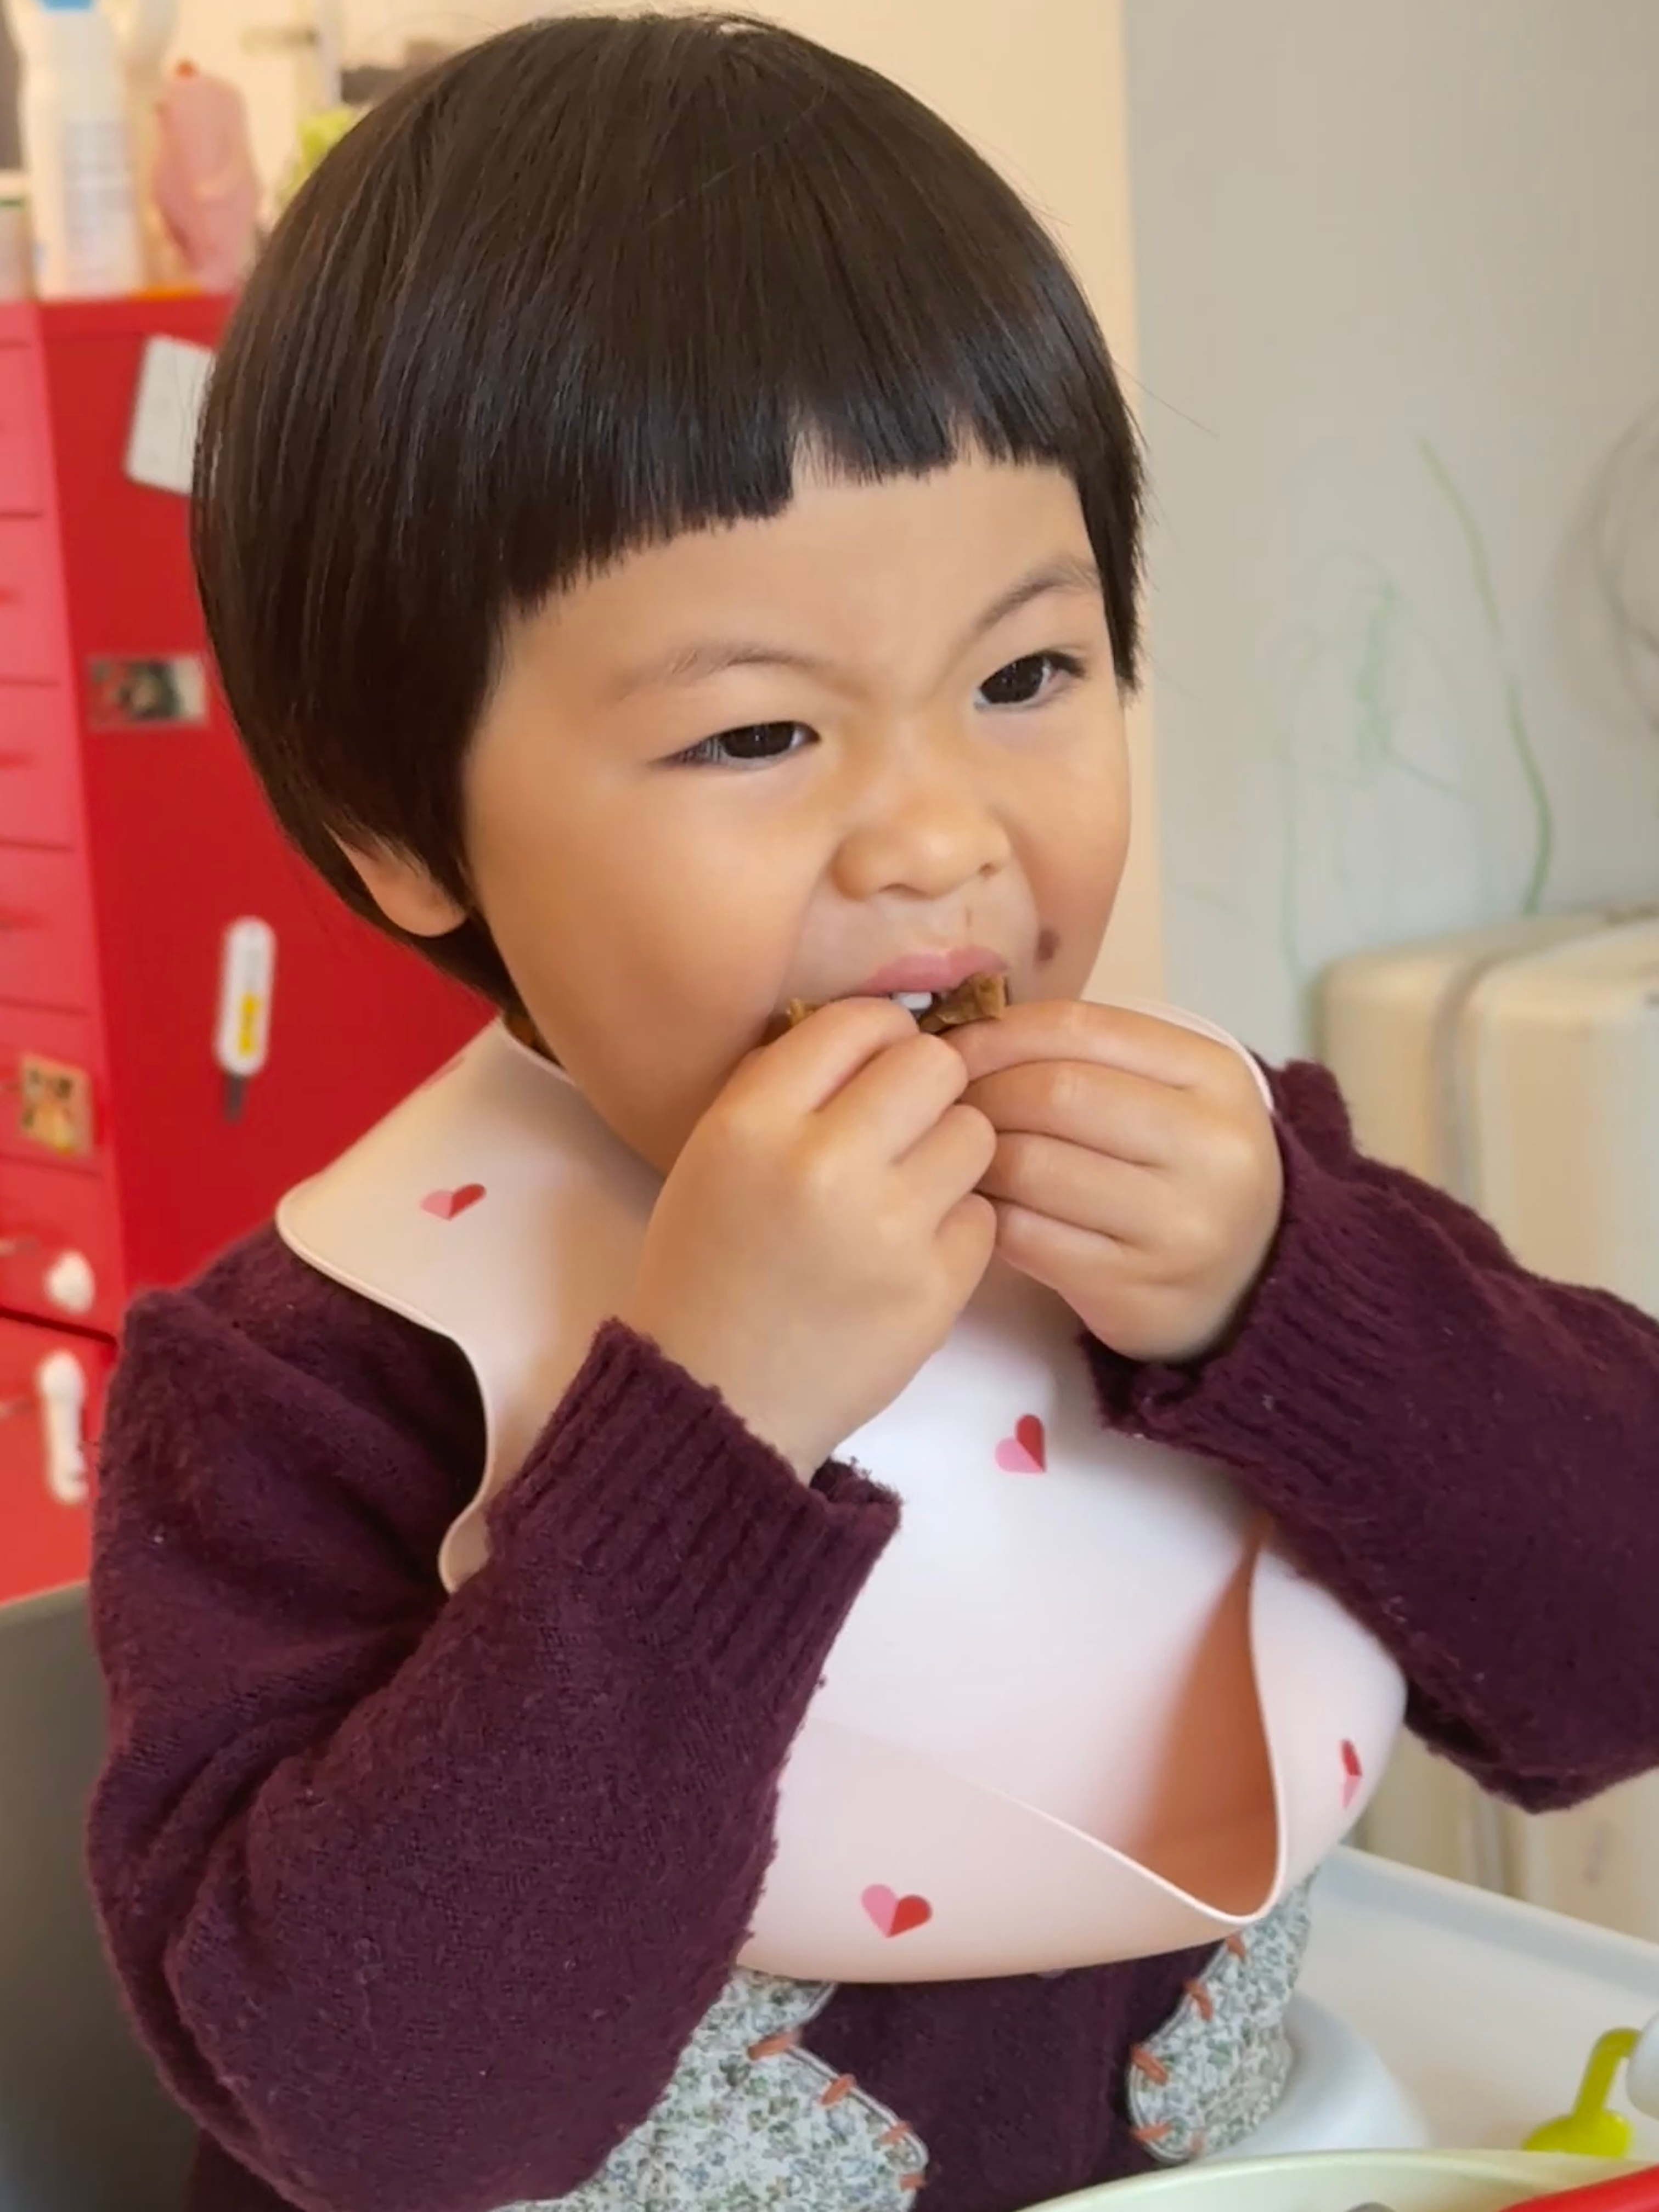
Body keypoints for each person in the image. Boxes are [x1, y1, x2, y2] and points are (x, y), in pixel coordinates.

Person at [86, 16, 1659, 2212]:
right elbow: (387, 2114)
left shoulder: (1233, 1184)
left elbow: (1614, 1659)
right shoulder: (309, 1380)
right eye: (755, 735)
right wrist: (708, 1427)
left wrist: (1291, 1299)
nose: (935, 836)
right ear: (401, 829)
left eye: (1026, 677)